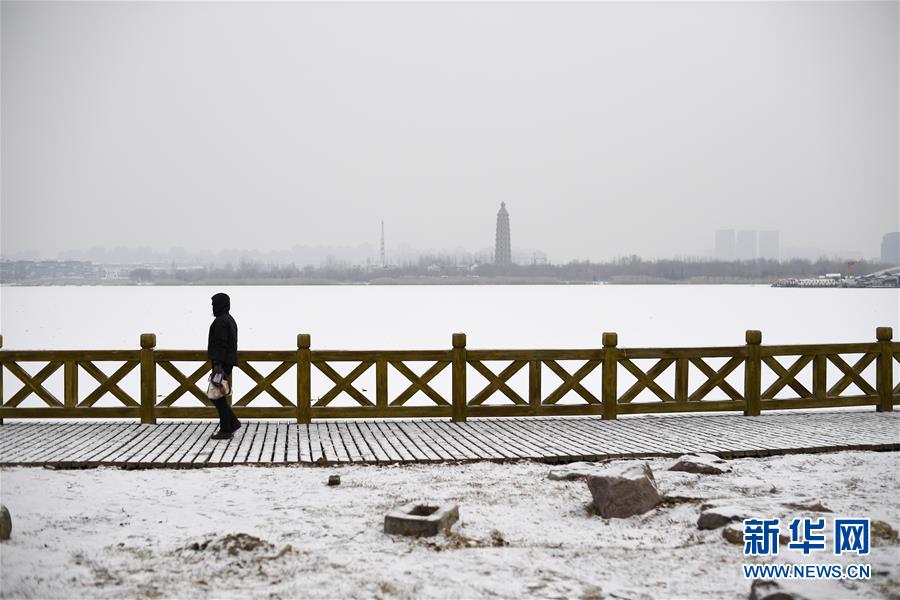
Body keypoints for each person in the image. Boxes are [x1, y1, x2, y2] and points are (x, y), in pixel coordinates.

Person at [208, 292, 241, 439]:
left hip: (221, 364)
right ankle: (232, 423)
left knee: (216, 397)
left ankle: (226, 428)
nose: (212, 308)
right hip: (226, 362)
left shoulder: (221, 322)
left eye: (214, 305)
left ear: (221, 306)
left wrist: (217, 364)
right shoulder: (229, 319)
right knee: (217, 395)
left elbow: (220, 345)